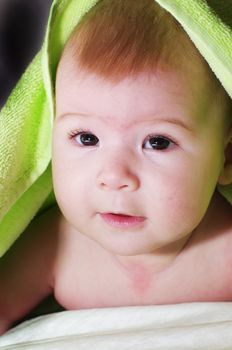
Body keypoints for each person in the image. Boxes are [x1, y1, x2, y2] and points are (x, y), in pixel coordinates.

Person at [0, 0, 232, 335]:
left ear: (226, 159)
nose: (114, 176)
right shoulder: (54, 247)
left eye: (157, 142)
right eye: (87, 138)